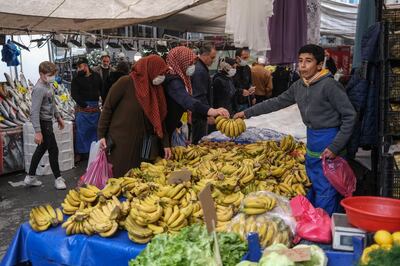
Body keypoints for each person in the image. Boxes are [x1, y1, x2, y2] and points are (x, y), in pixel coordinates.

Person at [234, 44, 357, 215]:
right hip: (312, 138)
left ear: (320, 65)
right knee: (314, 181)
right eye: (300, 61)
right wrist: (247, 113)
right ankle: (314, 219)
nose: (303, 65)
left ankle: (324, 225)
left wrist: (336, 147)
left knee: (326, 187)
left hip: (329, 139)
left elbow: (350, 116)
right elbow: (276, 102)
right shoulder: (300, 85)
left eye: (308, 61)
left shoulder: (330, 86)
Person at [98, 55, 171, 177]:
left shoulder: (156, 89)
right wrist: (101, 135)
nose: (161, 76)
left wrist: (165, 143)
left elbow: (160, 119)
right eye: (159, 72)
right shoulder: (126, 82)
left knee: (140, 181)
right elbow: (108, 108)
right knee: (121, 178)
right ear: (150, 69)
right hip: (122, 143)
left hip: (144, 144)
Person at [163, 46, 229, 142]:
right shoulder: (173, 81)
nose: (192, 66)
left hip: (177, 124)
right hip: (170, 128)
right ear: (181, 62)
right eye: (190, 63)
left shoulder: (181, 78)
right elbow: (187, 100)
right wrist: (210, 111)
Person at [24, 61, 66, 189]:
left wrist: (58, 117)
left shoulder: (48, 85)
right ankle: (58, 178)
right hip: (43, 123)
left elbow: (52, 103)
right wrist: (37, 131)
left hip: (48, 121)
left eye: (53, 75)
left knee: (41, 149)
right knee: (53, 149)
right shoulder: (38, 89)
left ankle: (30, 177)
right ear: (41, 74)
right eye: (49, 75)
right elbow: (34, 112)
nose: (52, 77)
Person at [71, 57, 102, 159]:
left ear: (86, 66)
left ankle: (96, 153)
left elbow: (103, 90)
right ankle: (82, 154)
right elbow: (74, 94)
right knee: (82, 132)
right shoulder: (76, 79)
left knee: (95, 132)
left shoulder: (97, 77)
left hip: (95, 109)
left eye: (80, 67)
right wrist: (84, 105)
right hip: (82, 110)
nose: (78, 69)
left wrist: (105, 103)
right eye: (77, 68)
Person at [191, 44, 217, 144]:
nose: (213, 60)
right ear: (205, 55)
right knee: (198, 142)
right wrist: (208, 113)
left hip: (201, 113)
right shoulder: (199, 71)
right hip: (199, 114)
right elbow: (199, 96)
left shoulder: (201, 68)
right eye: (212, 57)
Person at [233, 47, 255, 111]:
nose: (246, 60)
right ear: (237, 58)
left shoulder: (247, 68)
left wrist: (252, 95)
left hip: (246, 102)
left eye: (247, 58)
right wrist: (241, 91)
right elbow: (229, 87)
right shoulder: (231, 69)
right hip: (235, 103)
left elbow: (250, 82)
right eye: (244, 58)